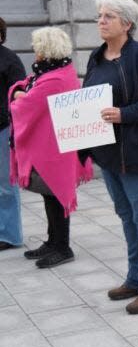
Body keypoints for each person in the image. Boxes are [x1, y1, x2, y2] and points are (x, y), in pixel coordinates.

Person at [80, 0, 138, 315]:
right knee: (127, 216)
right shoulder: (97, 58)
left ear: (127, 24)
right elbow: (88, 99)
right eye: (100, 16)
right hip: (109, 154)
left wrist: (125, 114)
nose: (101, 21)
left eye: (108, 16)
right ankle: (136, 278)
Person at [8, 27, 93, 268]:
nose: (34, 50)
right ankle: (53, 241)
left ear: (46, 50)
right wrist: (19, 91)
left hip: (55, 149)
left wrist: (17, 95)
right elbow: (23, 86)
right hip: (52, 145)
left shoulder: (54, 79)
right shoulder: (53, 72)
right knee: (50, 195)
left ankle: (63, 247)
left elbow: (26, 105)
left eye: (37, 46)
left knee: (56, 195)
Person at [0, 17, 26, 252]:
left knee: (6, 185)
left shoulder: (9, 60)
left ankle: (10, 235)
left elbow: (20, 95)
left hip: (3, 129)